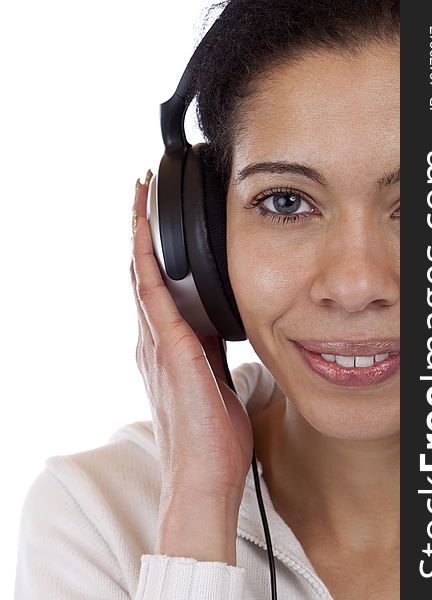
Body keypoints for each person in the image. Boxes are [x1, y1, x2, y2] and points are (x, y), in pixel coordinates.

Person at [14, 0, 400, 598]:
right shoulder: (96, 518)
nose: (355, 286)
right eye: (286, 202)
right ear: (201, 240)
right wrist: (198, 503)